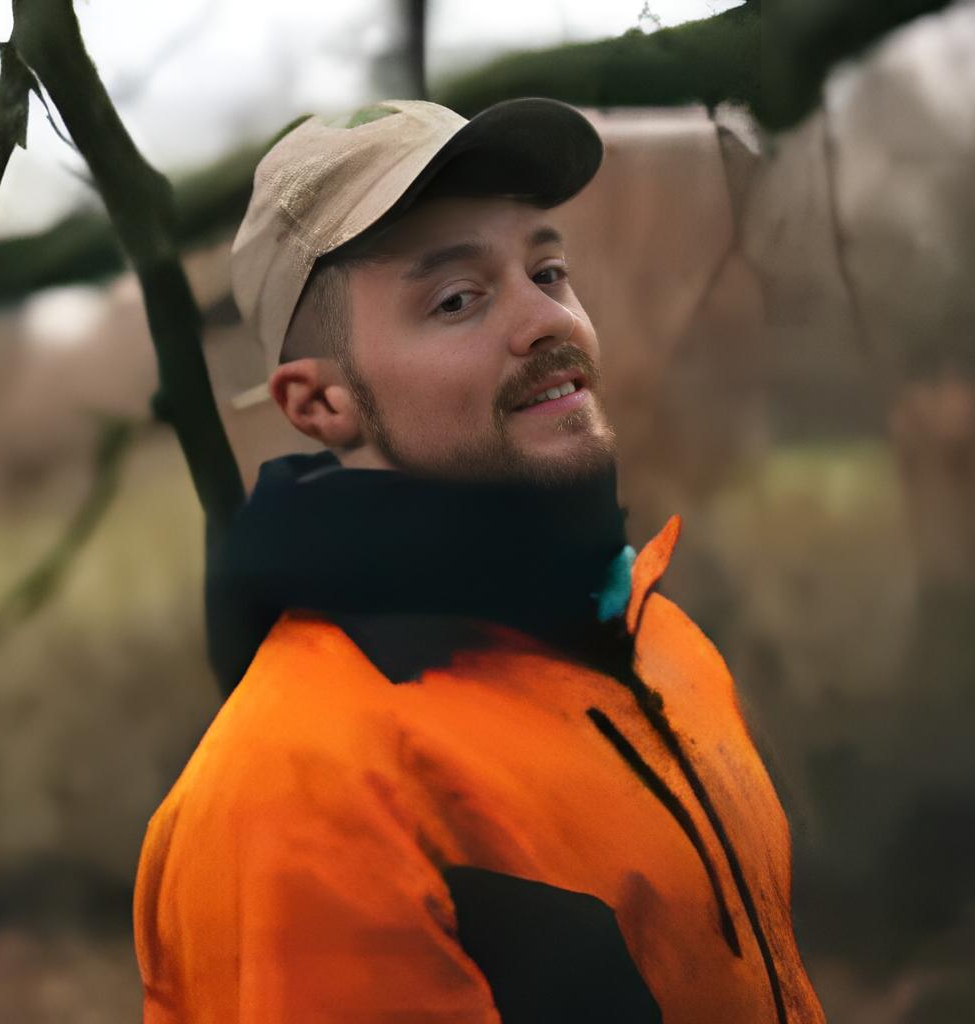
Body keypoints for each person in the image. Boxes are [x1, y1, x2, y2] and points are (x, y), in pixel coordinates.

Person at [133, 98, 824, 1023]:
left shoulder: (655, 637)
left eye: (548, 270)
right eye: (457, 299)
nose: (549, 321)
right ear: (322, 405)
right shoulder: (301, 797)